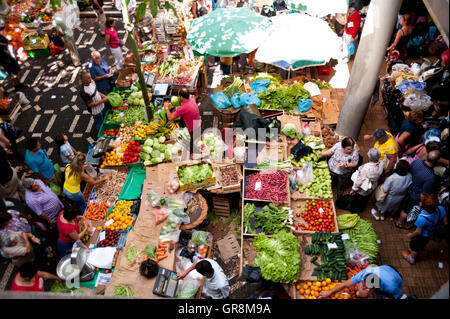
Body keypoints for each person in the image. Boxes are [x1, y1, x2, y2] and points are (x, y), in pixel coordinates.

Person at [396, 150, 441, 229]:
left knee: (405, 206)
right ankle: (399, 223)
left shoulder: (418, 161)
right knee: (407, 210)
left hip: (409, 187)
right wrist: (422, 202)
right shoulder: (430, 177)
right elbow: (424, 194)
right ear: (437, 161)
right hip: (415, 196)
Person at [402, 194, 447, 265]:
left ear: (423, 206)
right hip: (430, 233)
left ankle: (411, 258)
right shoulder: (441, 208)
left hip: (421, 236)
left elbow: (418, 232)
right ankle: (414, 250)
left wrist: (410, 235)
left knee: (414, 247)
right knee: (421, 245)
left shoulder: (422, 218)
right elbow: (445, 222)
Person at [319, 265, 403, 299]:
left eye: (367, 288)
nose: (364, 287)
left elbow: (397, 296)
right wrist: (328, 292)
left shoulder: (392, 287)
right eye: (364, 285)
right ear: (363, 279)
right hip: (385, 268)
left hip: (396, 276)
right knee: (360, 293)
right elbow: (344, 284)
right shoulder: (364, 274)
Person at [164, 89, 201, 155]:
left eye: (179, 96)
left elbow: (170, 118)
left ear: (181, 97)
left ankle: (192, 156)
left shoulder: (182, 108)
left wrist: (166, 108)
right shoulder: (192, 100)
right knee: (197, 142)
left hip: (192, 129)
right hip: (198, 123)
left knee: (193, 147)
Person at [348, 148, 384, 213]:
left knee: (357, 200)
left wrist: (354, 189)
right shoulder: (381, 163)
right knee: (365, 199)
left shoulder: (365, 168)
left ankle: (354, 210)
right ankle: (361, 208)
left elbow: (359, 181)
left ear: (369, 157)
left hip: (362, 188)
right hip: (372, 186)